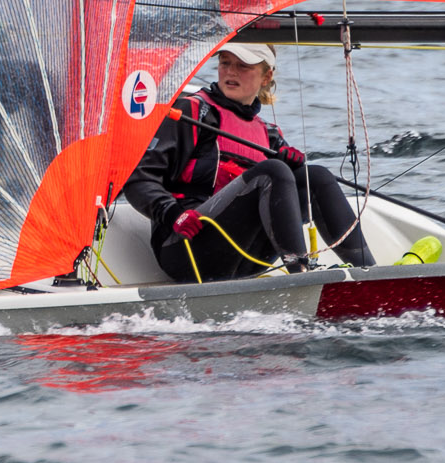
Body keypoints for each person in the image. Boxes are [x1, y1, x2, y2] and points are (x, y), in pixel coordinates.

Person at [123, 41, 373, 282]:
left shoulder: (269, 133)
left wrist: (292, 166)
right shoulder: (192, 112)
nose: (230, 72)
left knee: (316, 176)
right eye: (225, 62)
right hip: (187, 248)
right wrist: (172, 213)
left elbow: (284, 193)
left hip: (246, 255)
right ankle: (301, 274)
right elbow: (138, 179)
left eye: (242, 65)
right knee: (273, 171)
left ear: (266, 76)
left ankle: (369, 273)